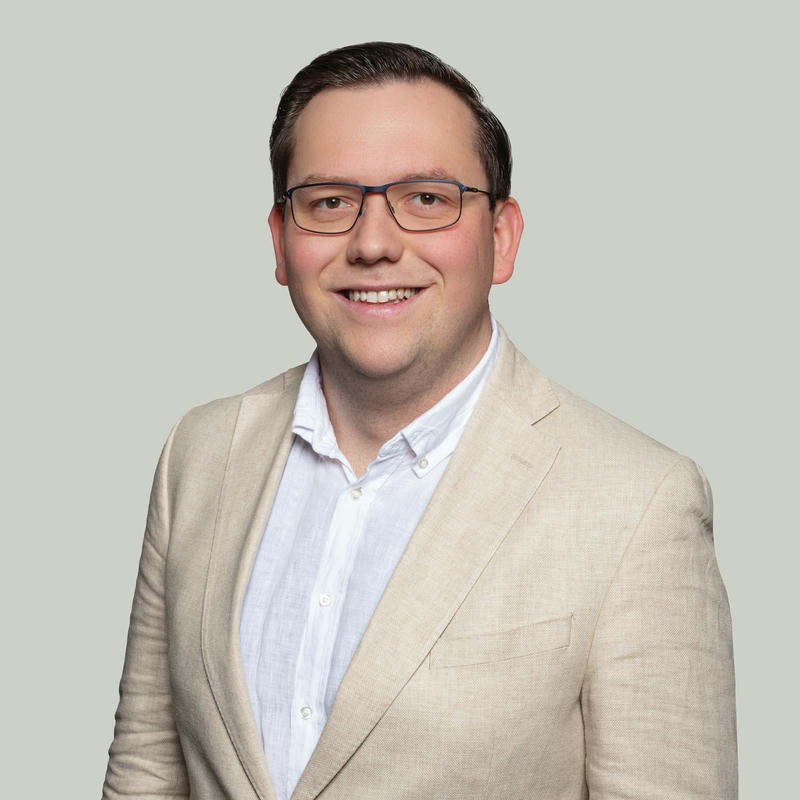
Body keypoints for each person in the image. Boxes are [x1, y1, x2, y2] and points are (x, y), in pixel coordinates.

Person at [103, 42, 737, 799]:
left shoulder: (639, 502)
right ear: (280, 241)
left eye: (428, 199)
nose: (374, 244)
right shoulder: (200, 453)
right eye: (329, 202)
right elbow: (145, 772)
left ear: (501, 238)